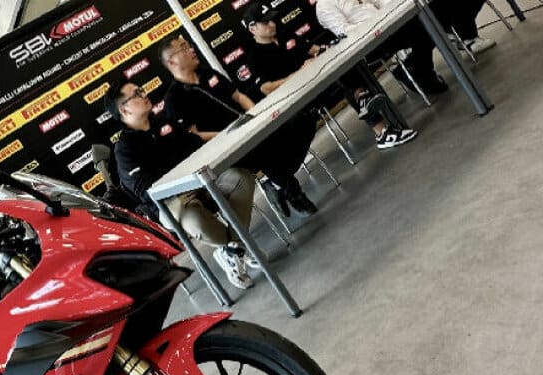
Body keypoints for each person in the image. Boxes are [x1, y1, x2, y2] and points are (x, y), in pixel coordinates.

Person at [106, 80, 256, 290]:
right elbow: (145, 190)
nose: (144, 93)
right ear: (124, 109)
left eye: (141, 89)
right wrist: (181, 188)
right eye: (137, 93)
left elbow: (194, 144)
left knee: (240, 178)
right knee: (195, 220)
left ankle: (232, 250)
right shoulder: (124, 149)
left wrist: (224, 136)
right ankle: (237, 247)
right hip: (172, 203)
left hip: (201, 183)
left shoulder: (163, 121)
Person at [159, 34, 318, 218]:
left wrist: (256, 116)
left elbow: (239, 97)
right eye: (184, 48)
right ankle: (292, 191)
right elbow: (195, 135)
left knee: (302, 120)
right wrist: (229, 136)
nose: (191, 49)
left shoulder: (208, 73)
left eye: (189, 45)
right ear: (172, 62)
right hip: (226, 150)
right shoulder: (174, 98)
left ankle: (276, 182)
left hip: (250, 128)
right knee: (264, 149)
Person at [243, 3, 417, 150]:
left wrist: (327, 49)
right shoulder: (254, 56)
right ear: (252, 28)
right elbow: (266, 88)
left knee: (348, 68)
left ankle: (366, 104)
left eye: (272, 19)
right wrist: (299, 74)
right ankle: (382, 132)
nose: (272, 24)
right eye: (265, 22)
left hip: (320, 80)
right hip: (299, 98)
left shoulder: (283, 33)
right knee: (348, 86)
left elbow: (311, 49)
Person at [315, 0, 494, 94]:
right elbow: (346, 33)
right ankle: (419, 68)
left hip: (393, 24)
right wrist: (380, 20)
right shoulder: (324, 6)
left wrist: (397, 7)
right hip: (373, 42)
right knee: (426, 25)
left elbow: (380, 3)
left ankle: (418, 65)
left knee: (436, 9)